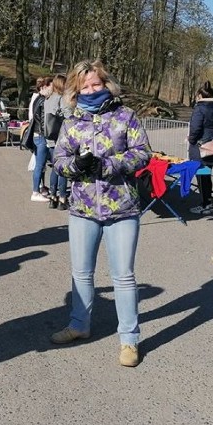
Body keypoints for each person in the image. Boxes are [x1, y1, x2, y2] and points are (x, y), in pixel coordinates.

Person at [51, 59, 151, 368]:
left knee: (123, 276)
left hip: (122, 208)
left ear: (106, 84)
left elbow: (143, 153)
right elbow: (58, 160)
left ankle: (129, 339)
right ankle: (79, 324)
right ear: (76, 90)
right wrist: (76, 166)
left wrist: (107, 165)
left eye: (96, 84)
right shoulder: (71, 122)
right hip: (82, 209)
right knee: (81, 272)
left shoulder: (126, 116)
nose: (92, 90)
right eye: (85, 86)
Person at [187, 80, 213, 215]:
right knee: (206, 176)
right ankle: (208, 201)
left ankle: (206, 203)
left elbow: (195, 128)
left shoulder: (200, 109)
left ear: (200, 96)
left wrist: (191, 139)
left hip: (201, 149)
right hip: (212, 147)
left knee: (202, 177)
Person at [44, 74, 69, 210]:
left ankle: (52, 196)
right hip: (61, 137)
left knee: (55, 168)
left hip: (50, 137)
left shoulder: (48, 100)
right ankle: (62, 198)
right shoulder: (62, 99)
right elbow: (68, 117)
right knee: (63, 169)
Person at [28, 77, 53, 202]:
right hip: (41, 135)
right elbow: (43, 120)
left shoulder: (37, 99)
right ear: (45, 87)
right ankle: (36, 191)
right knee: (40, 165)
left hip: (37, 134)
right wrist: (47, 134)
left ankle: (39, 189)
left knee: (40, 164)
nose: (52, 90)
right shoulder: (43, 101)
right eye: (51, 88)